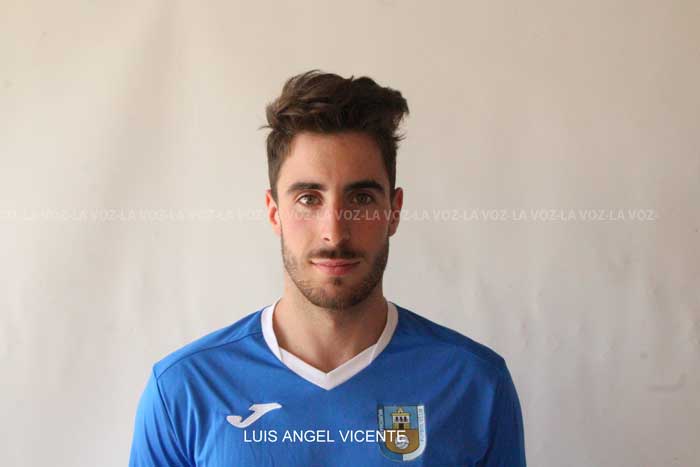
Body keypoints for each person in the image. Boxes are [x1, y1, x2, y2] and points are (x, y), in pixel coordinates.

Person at [128, 70, 527, 466]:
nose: (334, 232)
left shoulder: (474, 384)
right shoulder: (185, 390)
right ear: (274, 212)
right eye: (308, 198)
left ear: (394, 211)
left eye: (362, 198)